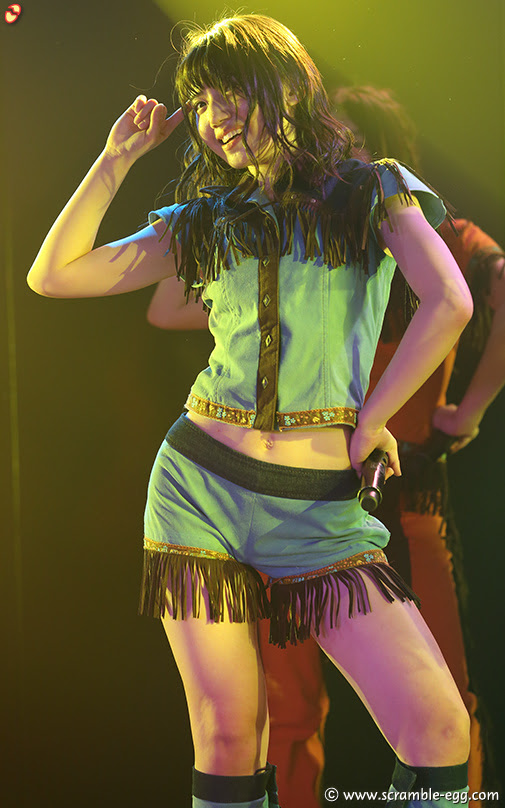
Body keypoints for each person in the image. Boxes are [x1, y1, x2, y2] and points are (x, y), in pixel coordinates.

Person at [27, 16, 475, 808]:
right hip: (196, 489)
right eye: (199, 102)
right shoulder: (205, 218)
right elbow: (54, 275)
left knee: (439, 730)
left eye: (228, 91)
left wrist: (372, 419)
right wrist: (116, 158)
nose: (213, 115)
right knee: (231, 739)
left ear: (287, 88)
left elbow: (450, 302)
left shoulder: (371, 190)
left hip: (317, 511)